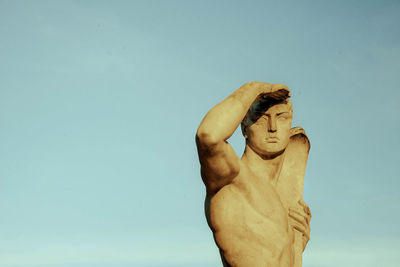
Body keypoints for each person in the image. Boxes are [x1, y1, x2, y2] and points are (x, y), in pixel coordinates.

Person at [196, 82, 311, 267]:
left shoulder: (280, 202)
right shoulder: (231, 179)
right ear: (244, 128)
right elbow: (208, 136)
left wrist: (296, 246)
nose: (272, 127)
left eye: (281, 117)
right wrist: (254, 88)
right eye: (261, 118)